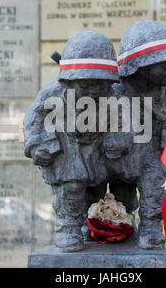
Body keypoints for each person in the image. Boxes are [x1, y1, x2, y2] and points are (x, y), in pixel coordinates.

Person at [23, 30, 119, 252]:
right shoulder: (52, 93)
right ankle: (68, 227)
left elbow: (122, 119)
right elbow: (34, 119)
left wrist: (117, 138)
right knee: (73, 185)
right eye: (86, 85)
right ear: (69, 80)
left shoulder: (112, 96)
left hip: (96, 148)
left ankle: (89, 224)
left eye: (100, 85)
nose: (94, 91)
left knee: (96, 188)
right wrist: (38, 145)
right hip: (66, 146)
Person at [103, 20, 166, 249]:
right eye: (163, 64)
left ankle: (151, 227)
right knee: (119, 198)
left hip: (150, 158)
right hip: (117, 158)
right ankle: (106, 225)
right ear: (141, 65)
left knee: (154, 184)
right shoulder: (114, 91)